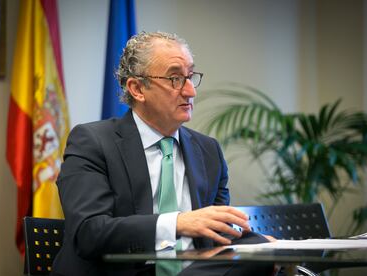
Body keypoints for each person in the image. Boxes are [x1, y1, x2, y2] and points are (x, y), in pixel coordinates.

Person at [51, 31, 274, 276]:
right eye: (175, 78)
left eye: (190, 77)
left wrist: (260, 245)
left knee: (261, 251)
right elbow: (89, 233)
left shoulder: (208, 151)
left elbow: (216, 234)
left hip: (196, 269)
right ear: (137, 89)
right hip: (124, 272)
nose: (190, 91)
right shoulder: (92, 142)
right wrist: (177, 223)